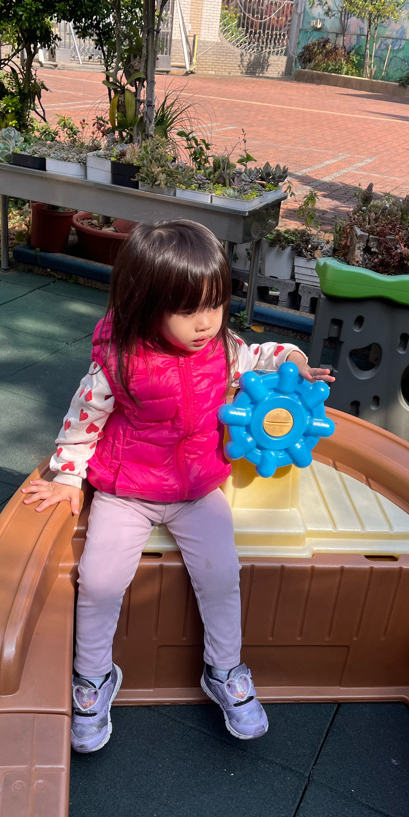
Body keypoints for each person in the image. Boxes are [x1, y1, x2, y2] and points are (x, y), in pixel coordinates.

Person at [22, 221, 335, 754]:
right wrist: (68, 475)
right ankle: (93, 677)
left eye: (214, 304)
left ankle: (224, 669)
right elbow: (85, 416)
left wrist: (294, 360)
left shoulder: (223, 349)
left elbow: (261, 356)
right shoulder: (120, 360)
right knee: (99, 581)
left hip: (196, 492)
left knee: (222, 575)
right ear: (147, 303)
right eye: (188, 310)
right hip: (127, 491)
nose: (205, 322)